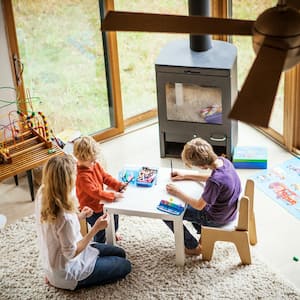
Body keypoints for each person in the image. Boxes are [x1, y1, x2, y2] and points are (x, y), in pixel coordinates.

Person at [35, 155, 131, 290]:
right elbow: (71, 253)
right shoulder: (64, 217)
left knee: (120, 253)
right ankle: (60, 281)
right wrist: (96, 228)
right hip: (68, 268)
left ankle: (53, 277)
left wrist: (80, 216)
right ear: (67, 181)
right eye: (75, 174)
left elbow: (57, 227)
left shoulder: (43, 192)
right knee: (125, 265)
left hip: (54, 261)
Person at [164, 137, 241, 256]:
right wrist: (185, 176)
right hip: (229, 211)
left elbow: (199, 206)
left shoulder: (215, 182)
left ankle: (192, 247)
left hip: (215, 218)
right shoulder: (224, 162)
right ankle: (202, 232)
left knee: (168, 213)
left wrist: (177, 192)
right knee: (190, 198)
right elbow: (211, 178)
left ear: (203, 167)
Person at [73, 136, 127, 243]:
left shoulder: (95, 164)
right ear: (81, 159)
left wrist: (118, 185)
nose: (94, 163)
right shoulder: (82, 176)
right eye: (91, 161)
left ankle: (114, 231)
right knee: (99, 230)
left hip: (102, 202)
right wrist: (113, 196)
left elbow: (105, 177)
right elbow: (95, 193)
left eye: (94, 160)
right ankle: (100, 246)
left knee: (114, 215)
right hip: (92, 209)